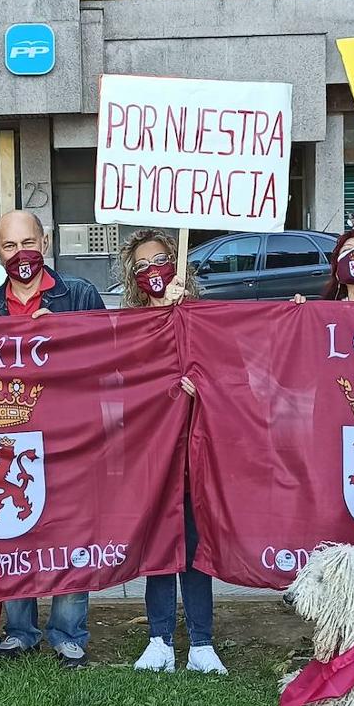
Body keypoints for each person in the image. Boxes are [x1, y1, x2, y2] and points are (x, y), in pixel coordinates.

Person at [0, 210, 105, 669]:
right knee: (12, 531)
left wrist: (64, 335)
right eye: (9, 246)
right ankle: (20, 630)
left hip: (71, 436)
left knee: (70, 534)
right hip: (11, 439)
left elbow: (107, 358)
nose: (20, 253)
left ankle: (68, 633)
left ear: (45, 243)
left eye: (27, 242)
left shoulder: (81, 295)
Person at [116, 230, 227, 676]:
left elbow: (230, 372)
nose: (152, 270)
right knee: (160, 544)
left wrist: (204, 391)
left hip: (195, 453)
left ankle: (202, 642)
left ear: (178, 263)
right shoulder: (130, 325)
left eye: (160, 259)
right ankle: (159, 638)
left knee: (196, 546)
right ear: (132, 276)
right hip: (150, 452)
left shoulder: (202, 318)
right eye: (141, 265)